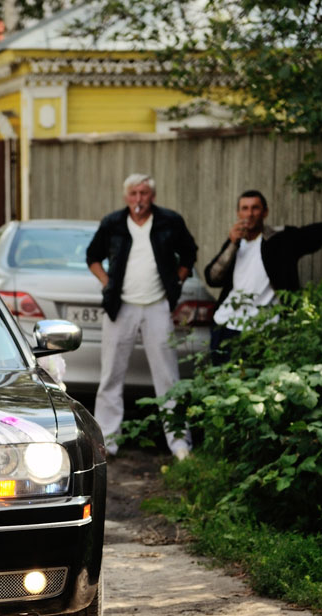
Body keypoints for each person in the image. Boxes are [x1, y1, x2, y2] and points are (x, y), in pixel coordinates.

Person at [85, 173, 197, 459]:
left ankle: (180, 444)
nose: (139, 199)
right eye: (134, 193)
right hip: (120, 306)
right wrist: (107, 283)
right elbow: (93, 257)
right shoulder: (113, 223)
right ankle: (107, 442)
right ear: (126, 196)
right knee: (111, 375)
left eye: (144, 193)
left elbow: (189, 254)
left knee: (168, 375)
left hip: (158, 305)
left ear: (152, 196)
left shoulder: (169, 221)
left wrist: (177, 282)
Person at [202, 191, 322, 362]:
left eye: (255, 208)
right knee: (220, 381)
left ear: (265, 212)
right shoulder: (235, 243)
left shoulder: (279, 240)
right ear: (238, 213)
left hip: (263, 329)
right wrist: (232, 244)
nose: (250, 213)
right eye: (244, 208)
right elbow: (213, 278)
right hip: (225, 324)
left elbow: (307, 236)